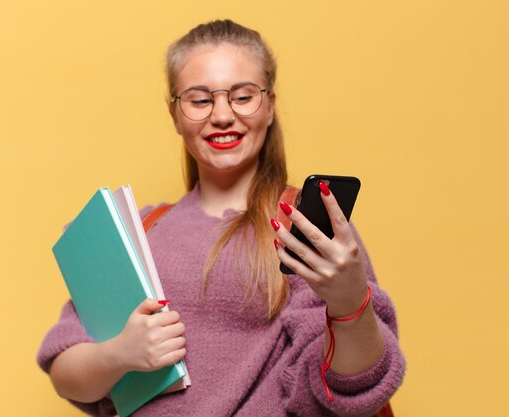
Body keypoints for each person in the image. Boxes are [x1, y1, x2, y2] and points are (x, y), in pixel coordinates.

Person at [38, 19, 405, 417]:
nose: (223, 115)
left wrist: (351, 301)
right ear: (175, 114)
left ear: (269, 105)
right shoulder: (141, 230)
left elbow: (355, 387)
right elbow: (65, 370)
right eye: (199, 100)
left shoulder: (303, 227)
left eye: (243, 96)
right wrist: (119, 355)